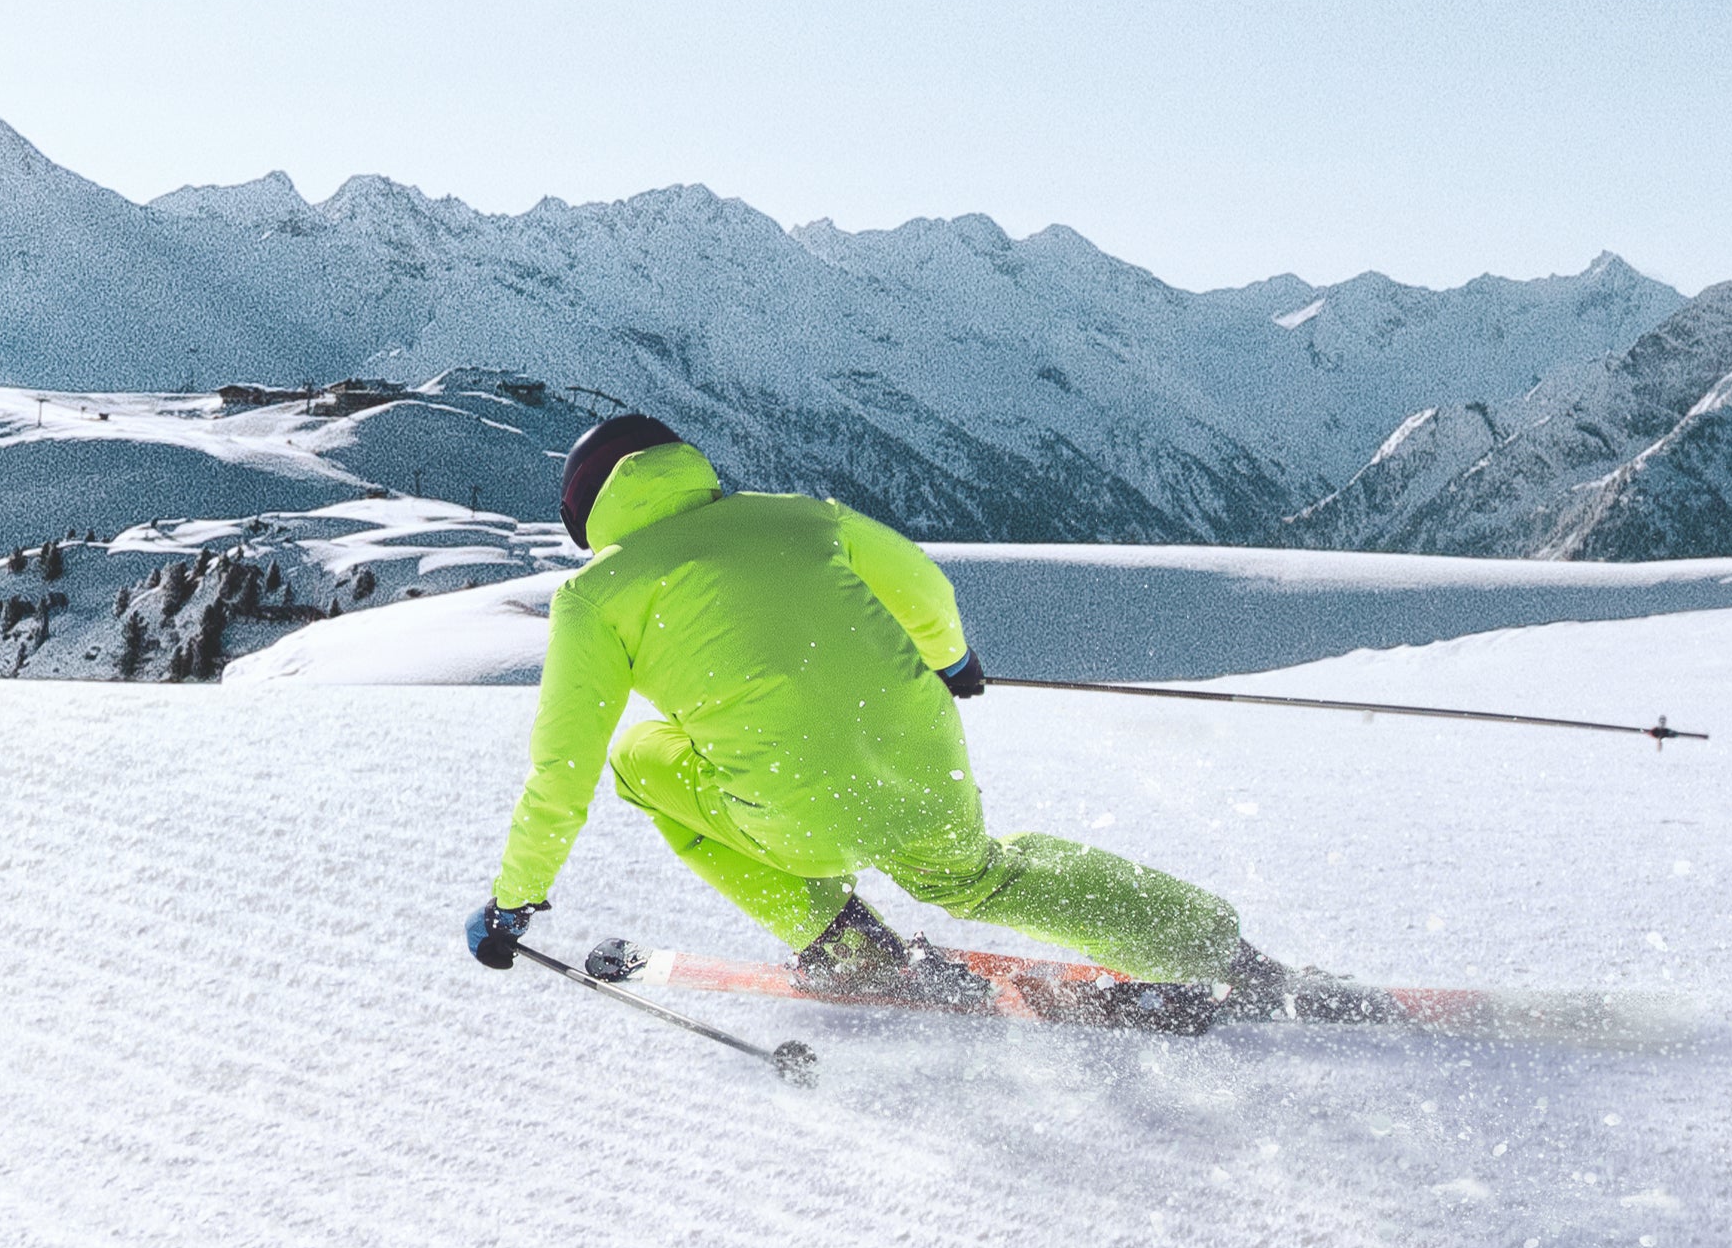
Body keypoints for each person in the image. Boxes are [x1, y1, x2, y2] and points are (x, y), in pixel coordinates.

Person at [456, 411, 1301, 1018]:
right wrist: (952, 660)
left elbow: (560, 770)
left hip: (797, 812)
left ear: (587, 514)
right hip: (925, 771)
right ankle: (1212, 946)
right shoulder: (803, 517)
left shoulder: (594, 595)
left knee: (637, 758)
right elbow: (927, 588)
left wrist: (514, 903)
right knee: (985, 874)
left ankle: (845, 946)